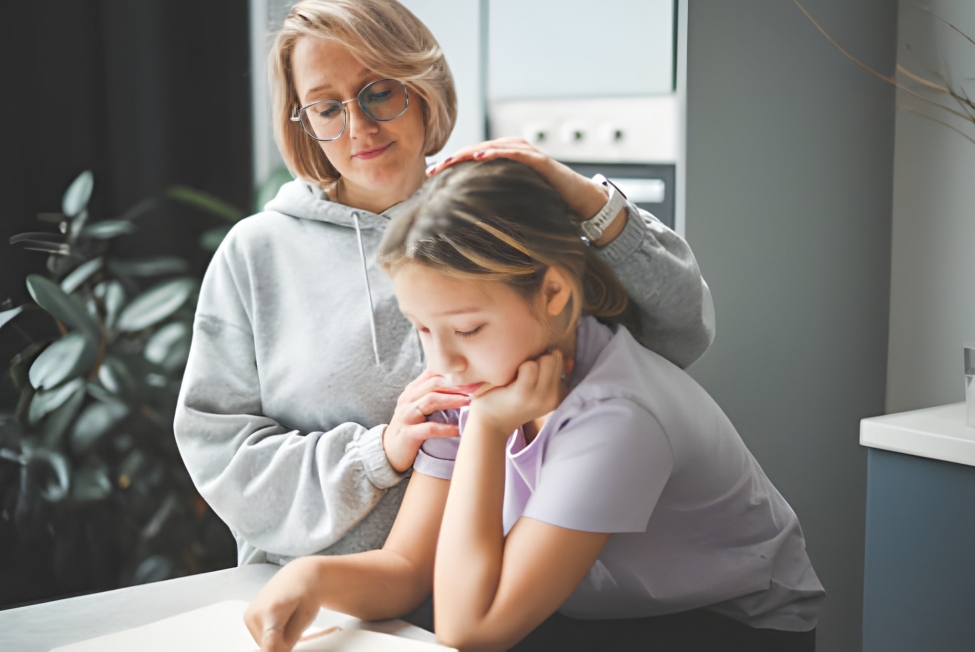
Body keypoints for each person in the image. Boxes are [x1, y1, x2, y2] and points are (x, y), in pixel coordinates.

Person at [174, 0, 714, 570]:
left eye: (379, 93)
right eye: (328, 108)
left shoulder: (491, 217)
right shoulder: (255, 254)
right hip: (319, 594)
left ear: (421, 82)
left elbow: (679, 331)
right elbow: (217, 450)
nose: (359, 128)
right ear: (302, 121)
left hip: (503, 595)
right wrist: (374, 454)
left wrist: (579, 194)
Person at [242, 159, 824, 652]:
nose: (442, 359)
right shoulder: (467, 377)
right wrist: (310, 577)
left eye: (467, 329)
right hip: (596, 610)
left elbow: (469, 628)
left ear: (552, 293)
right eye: (422, 328)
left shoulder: (618, 415)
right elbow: (410, 570)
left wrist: (490, 430)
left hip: (726, 625)